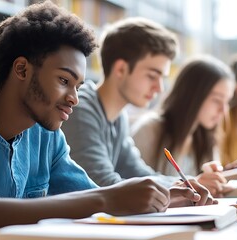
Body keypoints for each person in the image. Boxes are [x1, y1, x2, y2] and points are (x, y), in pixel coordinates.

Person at [0, 2, 213, 239]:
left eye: (78, 87)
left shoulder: (46, 136)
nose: (74, 97)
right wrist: (109, 200)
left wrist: (165, 197)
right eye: (63, 80)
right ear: (21, 70)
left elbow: (91, 196)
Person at [61, 17, 214, 191]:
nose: (159, 88)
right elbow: (101, 184)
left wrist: (188, 184)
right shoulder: (81, 110)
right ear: (121, 69)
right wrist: (176, 190)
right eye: (152, 76)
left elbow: (139, 173)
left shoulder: (118, 117)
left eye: (161, 78)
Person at [131, 56, 237, 197]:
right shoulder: (150, 130)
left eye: (226, 102)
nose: (223, 111)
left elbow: (201, 183)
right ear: (193, 96)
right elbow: (134, 187)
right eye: (217, 100)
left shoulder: (205, 135)